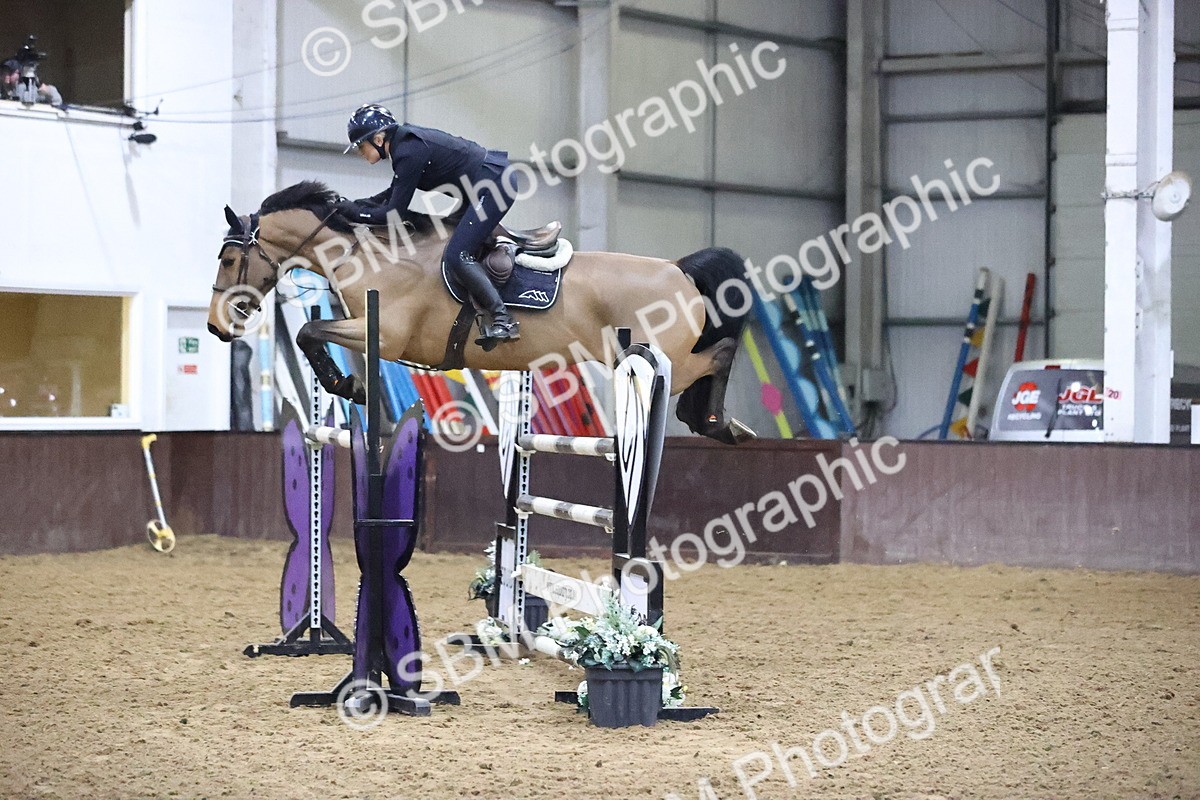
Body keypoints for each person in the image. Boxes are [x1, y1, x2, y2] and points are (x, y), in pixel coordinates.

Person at [337, 103, 520, 348]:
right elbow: (392, 194)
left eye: (361, 145)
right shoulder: (404, 148)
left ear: (378, 139)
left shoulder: (408, 152)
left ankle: (502, 318)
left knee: (458, 254)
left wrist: (354, 212)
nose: (360, 152)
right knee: (445, 238)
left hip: (495, 183)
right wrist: (353, 205)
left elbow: (393, 214)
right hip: (480, 185)